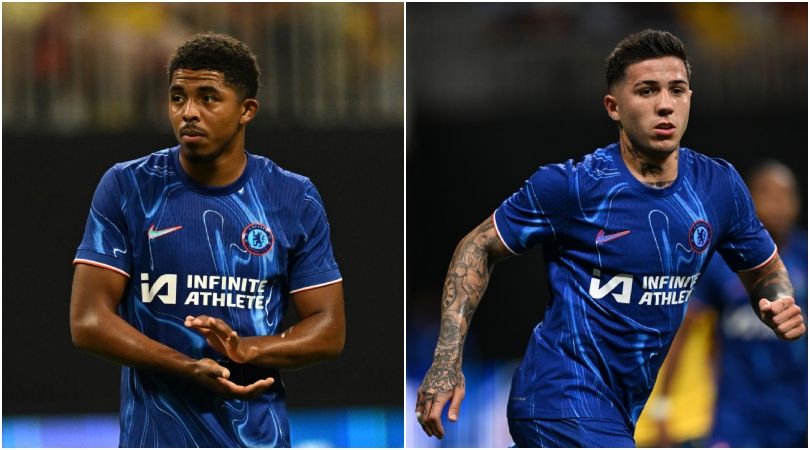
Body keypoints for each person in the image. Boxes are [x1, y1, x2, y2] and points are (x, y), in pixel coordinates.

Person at [414, 29, 806, 447]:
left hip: (620, 410)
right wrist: (445, 361)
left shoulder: (718, 187)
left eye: (677, 90)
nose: (665, 105)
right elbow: (477, 245)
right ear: (613, 107)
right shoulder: (573, 186)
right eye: (647, 91)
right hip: (559, 396)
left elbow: (765, 270)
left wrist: (778, 301)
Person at [70, 32, 345, 447]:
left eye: (208, 98)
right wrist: (185, 365)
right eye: (178, 97)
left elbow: (329, 329)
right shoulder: (129, 187)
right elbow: (88, 320)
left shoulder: (293, 197)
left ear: (246, 110)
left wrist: (246, 350)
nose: (188, 113)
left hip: (257, 439)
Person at [688, 160, 807, 447]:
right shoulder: (722, 262)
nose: (778, 205)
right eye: (768, 194)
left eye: (785, 196)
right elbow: (691, 330)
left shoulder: (806, 254)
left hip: (800, 408)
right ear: (751, 200)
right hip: (738, 411)